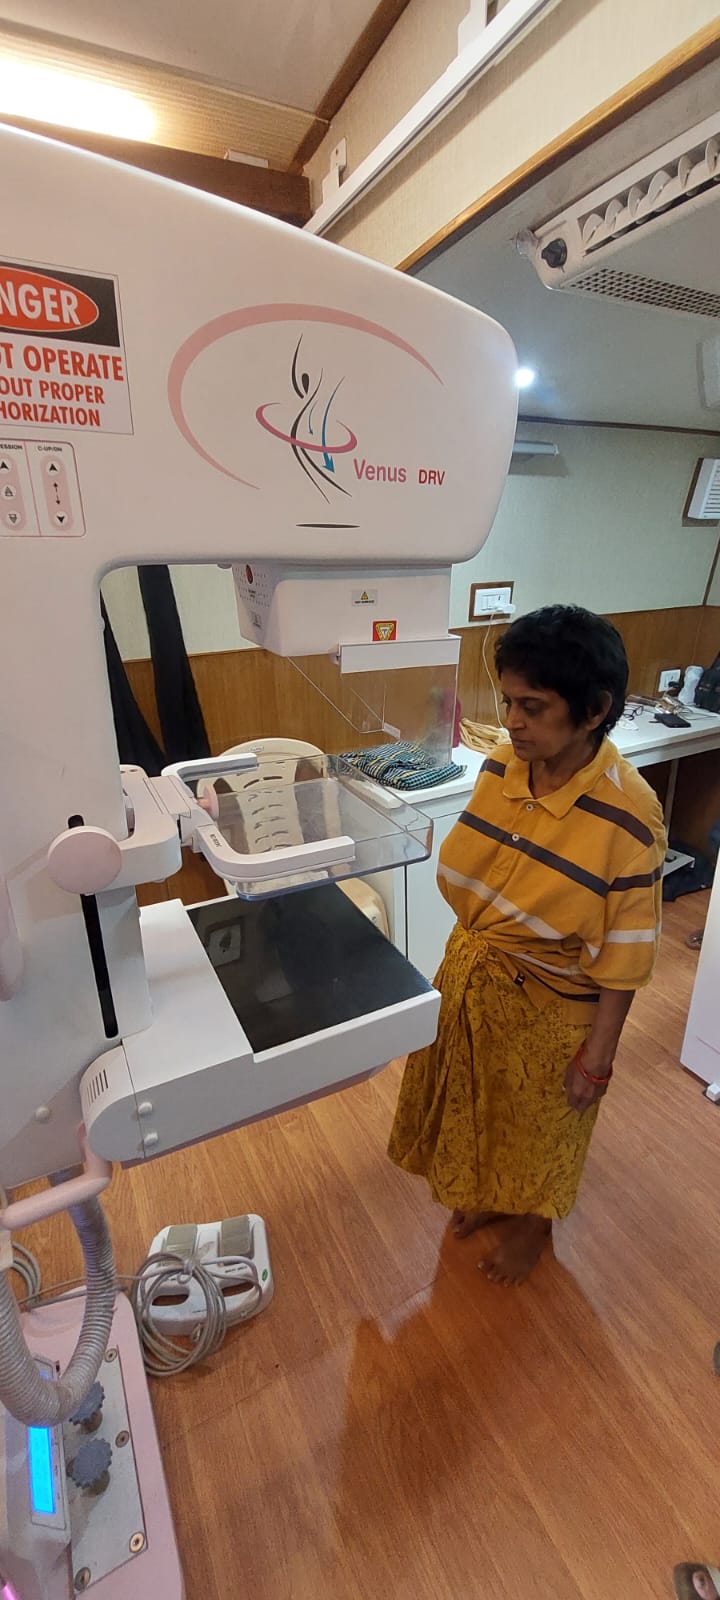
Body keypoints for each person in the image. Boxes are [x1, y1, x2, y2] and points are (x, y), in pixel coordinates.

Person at [388, 605, 667, 1284]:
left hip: (553, 1005)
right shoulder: (503, 766)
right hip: (476, 976)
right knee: (481, 1110)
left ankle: (534, 1226)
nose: (511, 721)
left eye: (532, 707)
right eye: (509, 701)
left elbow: (625, 958)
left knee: (540, 1129)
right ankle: (493, 1197)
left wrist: (597, 1059)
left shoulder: (631, 818)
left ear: (595, 710)